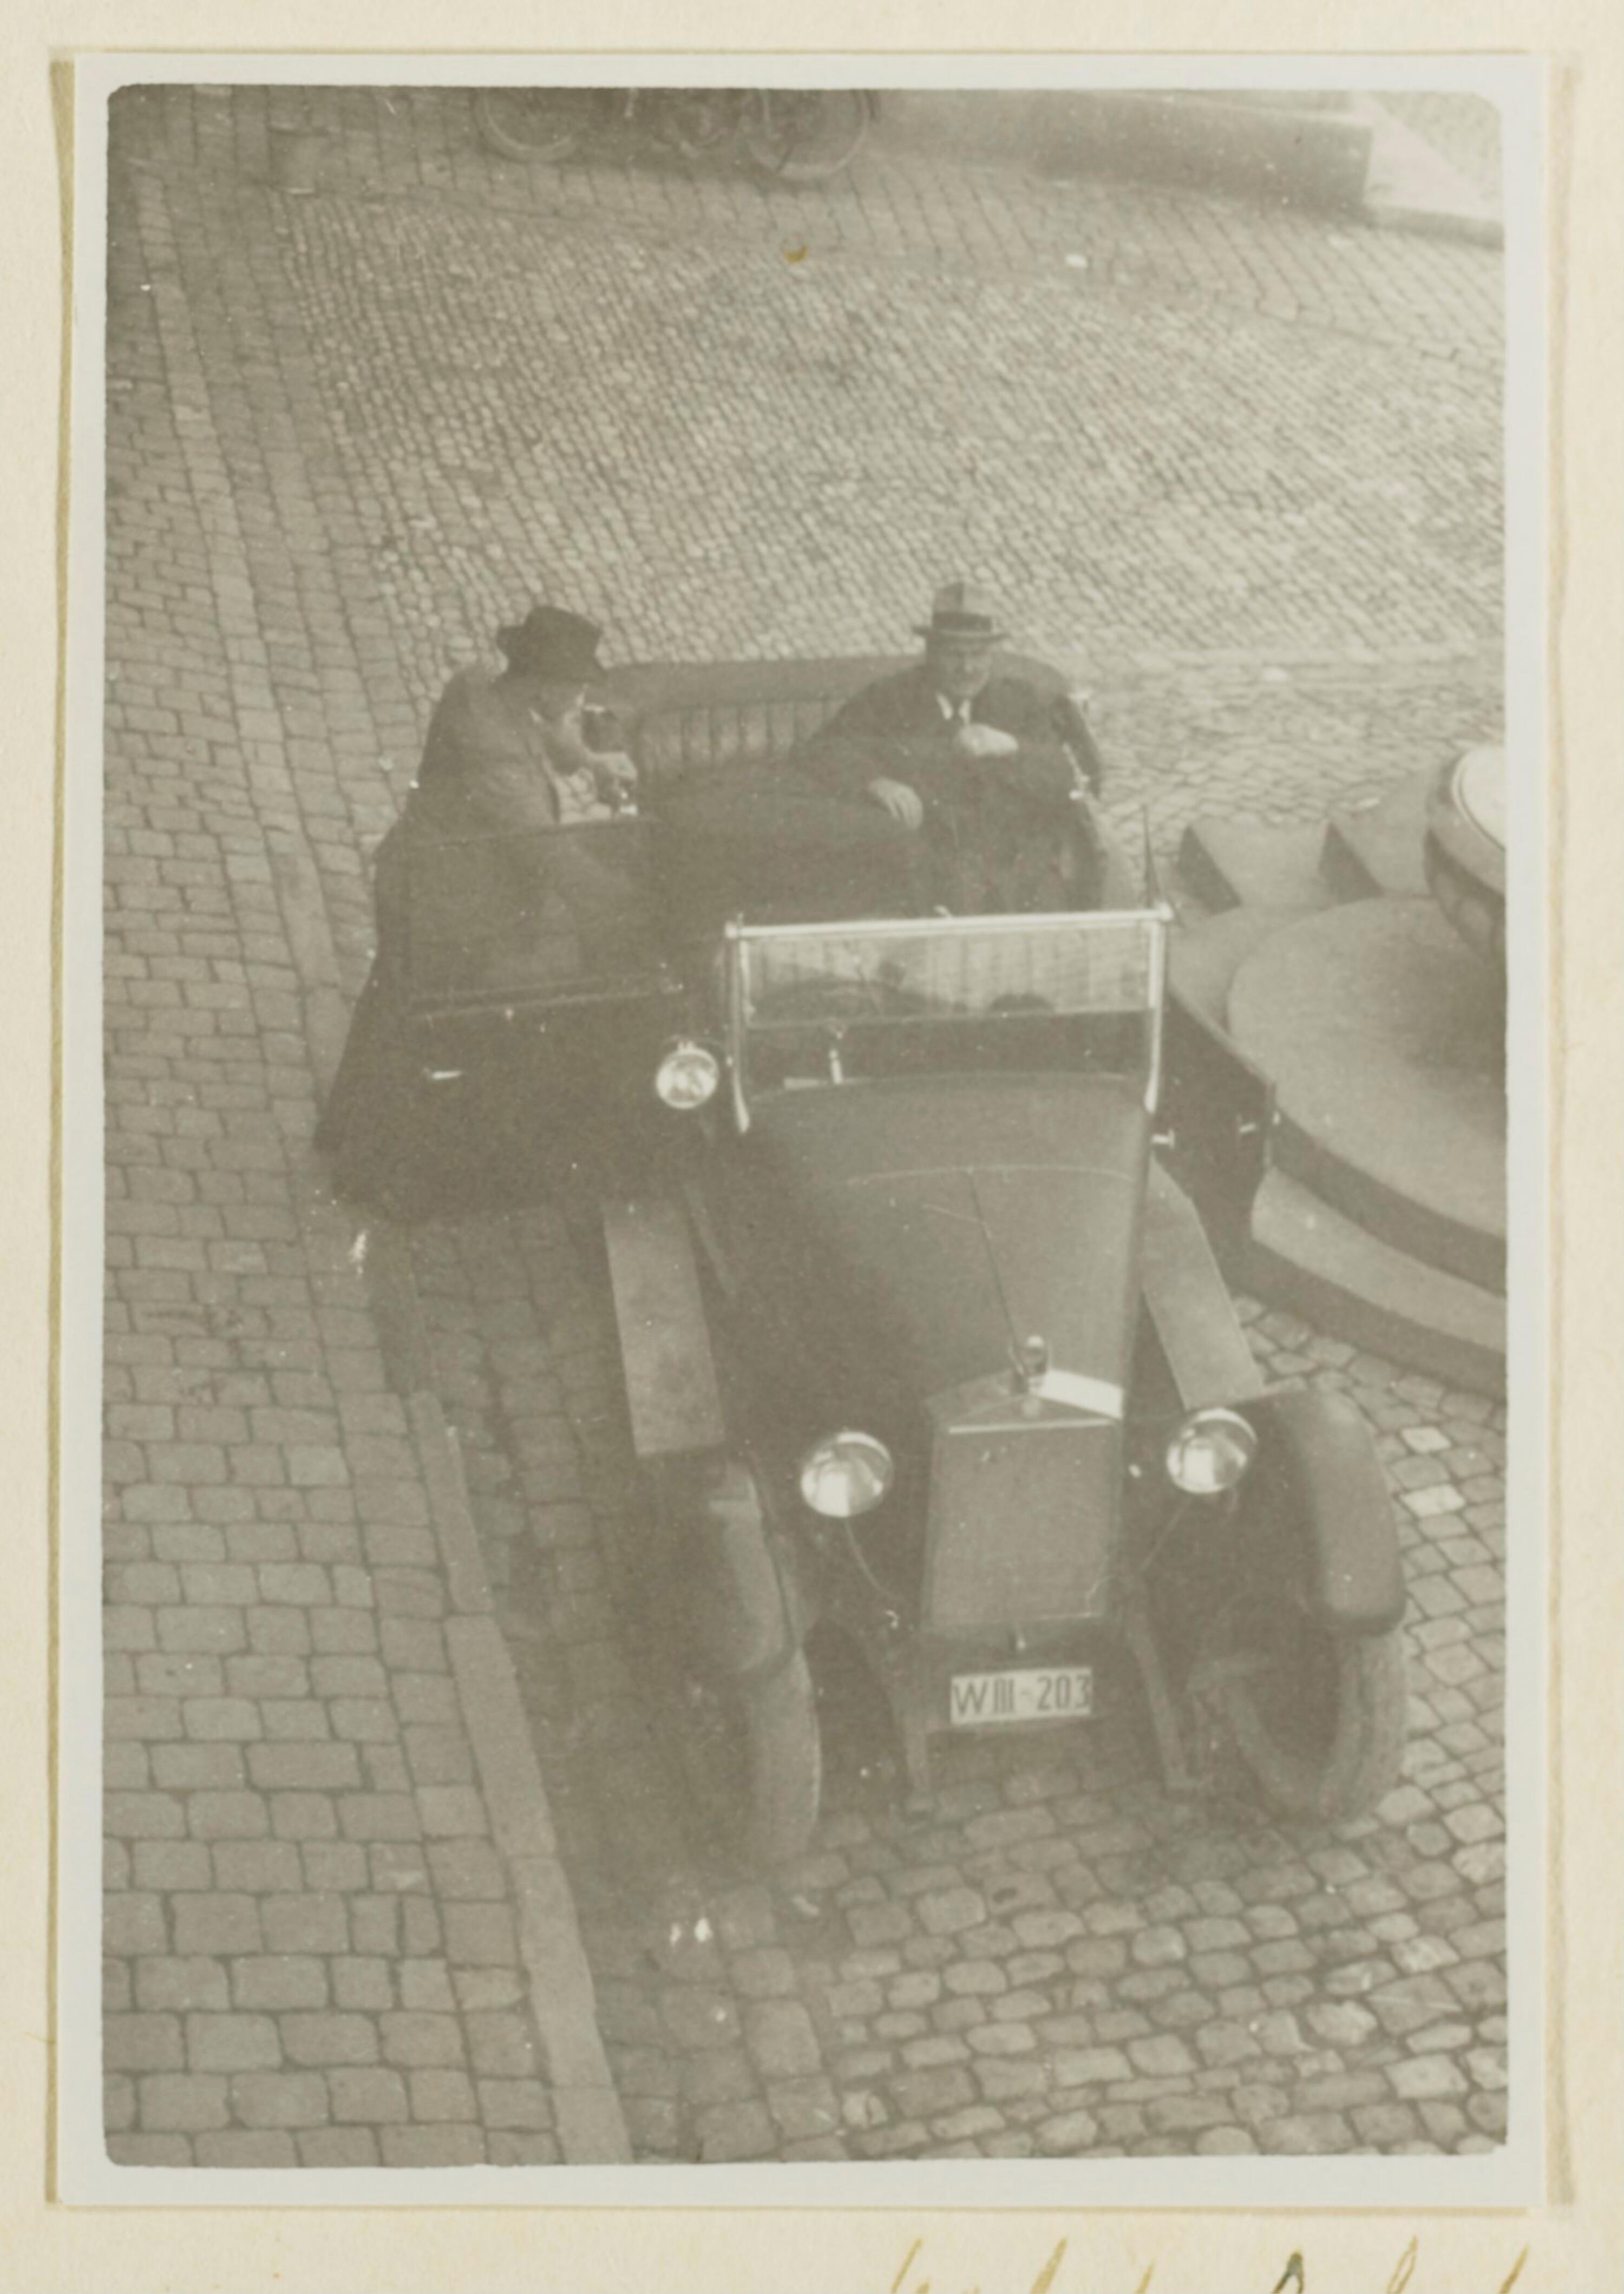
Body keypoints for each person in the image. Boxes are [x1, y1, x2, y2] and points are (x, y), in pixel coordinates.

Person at [316, 604, 643, 1211]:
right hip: (444, 906)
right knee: (425, 1031)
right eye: (575, 686)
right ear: (544, 684)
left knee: (389, 1007)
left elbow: (550, 732)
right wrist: (629, 900)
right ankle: (376, 1178)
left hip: (423, 882)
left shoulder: (478, 688)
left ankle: (344, 1133)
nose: (579, 698)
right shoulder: (495, 756)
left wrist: (592, 761)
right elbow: (543, 849)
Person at [795, 581, 1106, 914]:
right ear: (931, 653)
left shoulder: (1021, 703)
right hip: (929, 874)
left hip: (1017, 876)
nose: (968, 668)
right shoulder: (891, 699)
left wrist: (1011, 745)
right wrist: (874, 782)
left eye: (978, 654)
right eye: (955, 654)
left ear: (993, 655)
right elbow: (822, 749)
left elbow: (1063, 776)